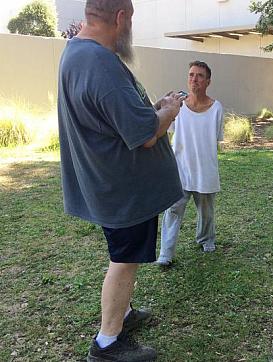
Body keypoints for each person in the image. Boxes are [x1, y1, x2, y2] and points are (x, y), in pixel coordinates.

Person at [57, 0, 185, 360]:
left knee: (123, 255)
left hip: (108, 184)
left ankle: (124, 314)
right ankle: (107, 342)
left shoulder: (76, 53)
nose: (130, 29)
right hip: (123, 190)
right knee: (124, 260)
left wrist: (154, 107)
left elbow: (113, 117)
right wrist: (169, 112)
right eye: (131, 21)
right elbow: (144, 135)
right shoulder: (99, 62)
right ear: (121, 17)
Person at [156, 61, 224, 267]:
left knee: (206, 211)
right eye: (191, 75)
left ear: (208, 81)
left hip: (205, 169)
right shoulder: (177, 107)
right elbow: (165, 132)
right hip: (180, 170)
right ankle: (166, 253)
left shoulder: (216, 108)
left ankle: (206, 239)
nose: (194, 79)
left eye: (200, 75)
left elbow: (215, 138)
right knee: (173, 210)